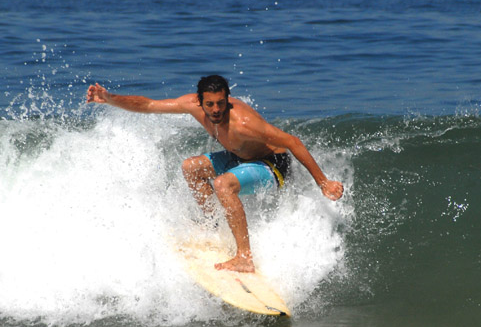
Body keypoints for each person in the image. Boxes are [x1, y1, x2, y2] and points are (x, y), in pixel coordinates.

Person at [86, 75, 344, 273]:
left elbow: (293, 142)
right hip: (241, 156)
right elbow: (149, 105)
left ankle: (245, 257)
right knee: (191, 167)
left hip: (272, 164)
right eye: (209, 104)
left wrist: (323, 183)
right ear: (199, 102)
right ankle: (214, 225)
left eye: (221, 103)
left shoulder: (244, 124)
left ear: (228, 100)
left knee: (222, 185)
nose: (216, 110)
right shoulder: (192, 105)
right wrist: (110, 99)